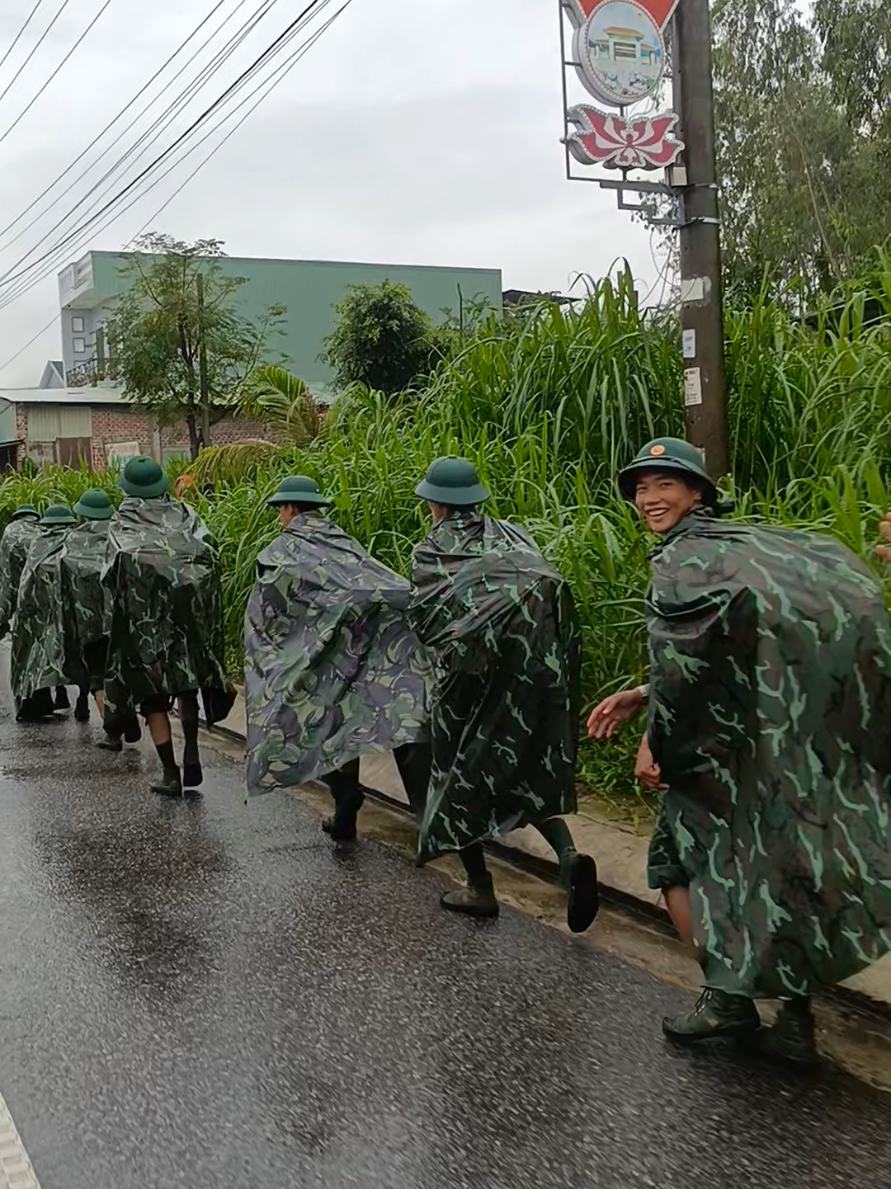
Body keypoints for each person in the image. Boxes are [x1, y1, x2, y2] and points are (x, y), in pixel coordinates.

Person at [588, 436, 891, 1064]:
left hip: (719, 756)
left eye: (665, 484)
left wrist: (658, 746)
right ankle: (795, 1022)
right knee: (776, 872)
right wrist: (642, 693)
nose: (649, 497)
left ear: (697, 491)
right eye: (641, 487)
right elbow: (755, 638)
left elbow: (688, 669)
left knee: (676, 862)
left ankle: (729, 998)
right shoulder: (752, 546)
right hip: (776, 748)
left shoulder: (681, 562)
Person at [409, 457, 599, 932]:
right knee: (524, 770)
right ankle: (569, 856)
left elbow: (428, 621)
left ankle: (479, 887)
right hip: (531, 672)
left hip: (468, 682)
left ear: (435, 502)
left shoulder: (432, 550)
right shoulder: (513, 535)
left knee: (457, 777)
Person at [244, 475, 432, 840]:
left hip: (320, 658)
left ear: (291, 509)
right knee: (352, 719)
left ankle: (345, 797)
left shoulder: (280, 553)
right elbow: (381, 585)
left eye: (280, 510)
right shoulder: (343, 542)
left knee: (303, 722)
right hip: (366, 651)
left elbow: (267, 616)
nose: (280, 517)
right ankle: (349, 814)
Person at [102, 457, 227, 796]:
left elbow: (110, 575)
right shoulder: (187, 516)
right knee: (187, 686)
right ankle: (192, 750)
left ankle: (170, 773)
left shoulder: (121, 523)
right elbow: (210, 554)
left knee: (153, 699)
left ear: (126, 488)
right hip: (188, 616)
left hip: (144, 626)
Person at [61, 489, 129, 731]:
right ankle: (128, 717)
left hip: (90, 624)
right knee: (124, 671)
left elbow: (65, 585)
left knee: (98, 678)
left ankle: (112, 731)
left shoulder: (73, 541)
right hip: (122, 619)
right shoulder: (121, 535)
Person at [10, 503, 78, 722]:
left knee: (35, 652)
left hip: (38, 608)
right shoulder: (77, 541)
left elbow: (20, 582)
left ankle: (38, 697)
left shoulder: (37, 544)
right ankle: (80, 701)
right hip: (71, 609)